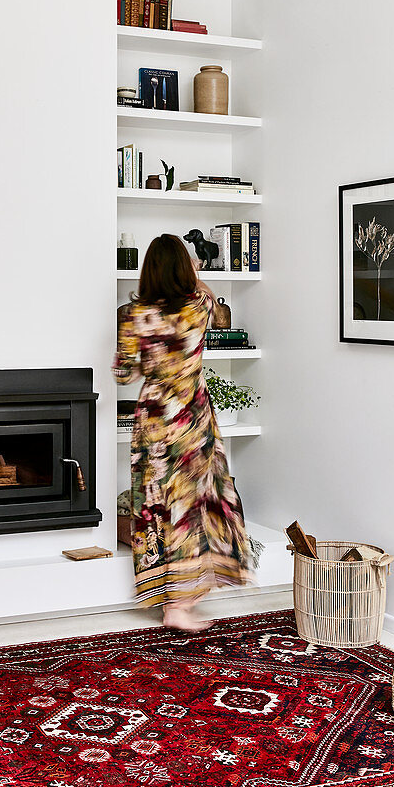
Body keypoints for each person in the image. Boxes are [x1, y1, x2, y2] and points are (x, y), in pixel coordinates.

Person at [112, 233, 254, 631]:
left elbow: (123, 373)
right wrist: (194, 273)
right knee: (194, 502)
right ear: (185, 268)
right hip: (191, 415)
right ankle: (183, 603)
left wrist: (147, 360)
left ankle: (166, 598)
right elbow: (201, 287)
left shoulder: (135, 315)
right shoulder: (200, 306)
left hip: (154, 418)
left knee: (156, 503)